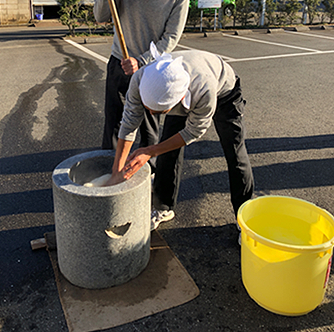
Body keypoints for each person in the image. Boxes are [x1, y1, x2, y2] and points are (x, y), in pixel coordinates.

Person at [107, 42, 254, 234]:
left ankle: (245, 220)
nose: (150, 114)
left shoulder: (203, 89)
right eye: (148, 107)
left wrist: (151, 151)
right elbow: (128, 124)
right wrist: (117, 171)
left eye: (158, 111)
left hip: (225, 91)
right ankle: (163, 208)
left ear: (177, 101)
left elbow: (193, 131)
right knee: (168, 153)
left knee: (235, 153)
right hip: (184, 87)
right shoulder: (141, 78)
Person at [93, 0, 190, 162]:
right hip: (119, 62)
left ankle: (147, 172)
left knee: (149, 128)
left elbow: (170, 38)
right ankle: (110, 167)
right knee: (114, 121)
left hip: (152, 70)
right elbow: (101, 16)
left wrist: (142, 61)